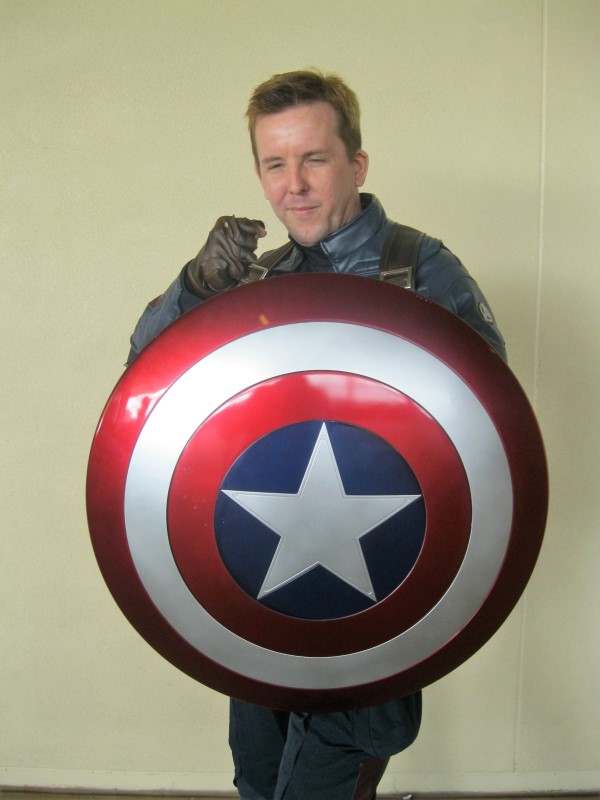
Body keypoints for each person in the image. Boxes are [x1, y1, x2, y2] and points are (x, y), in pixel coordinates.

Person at [127, 69, 506, 800]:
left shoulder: (418, 270)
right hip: (264, 573)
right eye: (275, 163)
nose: (294, 185)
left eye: (314, 159)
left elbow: (492, 427)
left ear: (356, 165)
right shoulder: (256, 282)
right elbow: (145, 374)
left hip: (380, 574)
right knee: (258, 773)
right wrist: (199, 289)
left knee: (327, 772)